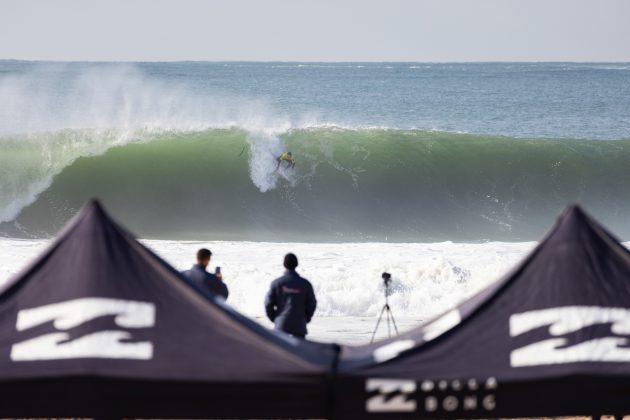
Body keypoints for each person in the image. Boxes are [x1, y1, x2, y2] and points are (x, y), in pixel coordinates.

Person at [264, 253, 317, 339]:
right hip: (299, 324)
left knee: (280, 351)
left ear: (284, 264)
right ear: (297, 264)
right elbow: (312, 303)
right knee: (298, 351)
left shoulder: (277, 283)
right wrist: (305, 318)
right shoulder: (305, 284)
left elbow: (268, 304)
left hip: (281, 323)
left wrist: (275, 319)